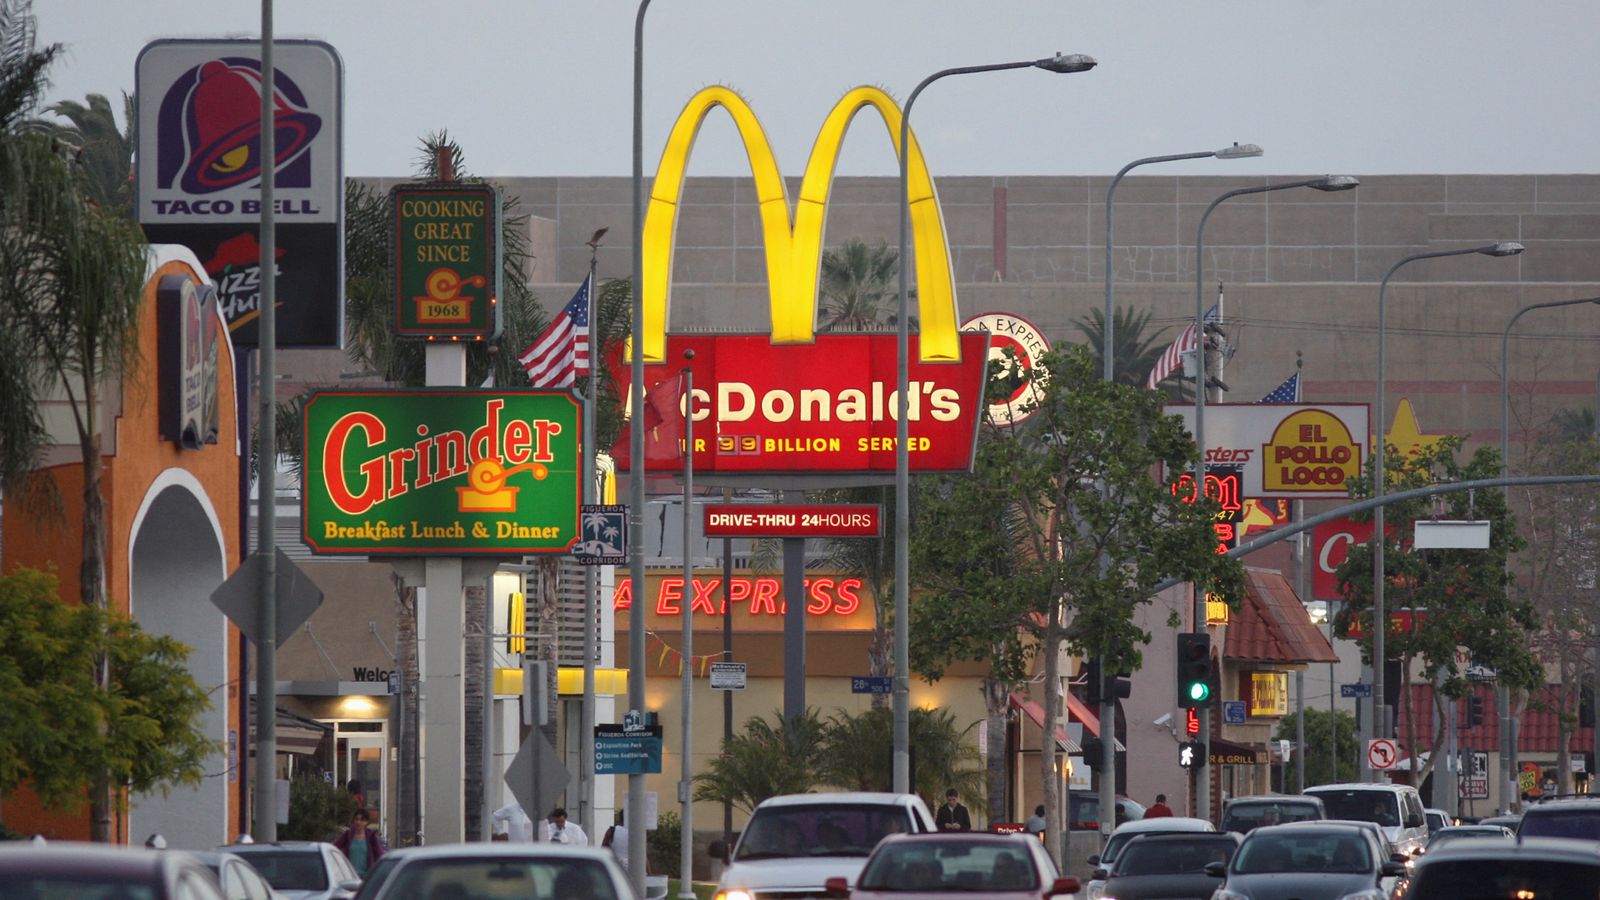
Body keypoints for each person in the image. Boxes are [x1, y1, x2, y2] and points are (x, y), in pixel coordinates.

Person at [333, 808, 385, 877]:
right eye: (356, 819)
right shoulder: (347, 835)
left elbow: (380, 855)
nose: (358, 822)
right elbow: (334, 848)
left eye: (362, 820)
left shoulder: (371, 837)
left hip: (366, 878)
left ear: (366, 822)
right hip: (349, 877)